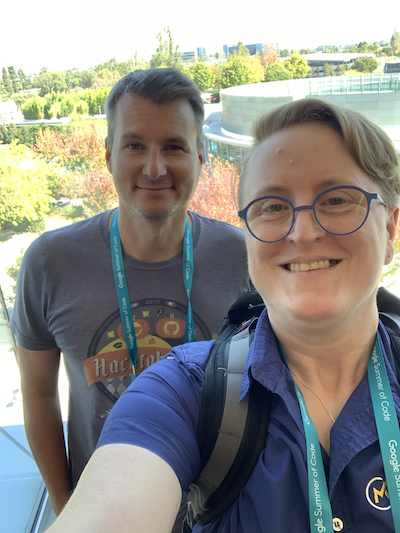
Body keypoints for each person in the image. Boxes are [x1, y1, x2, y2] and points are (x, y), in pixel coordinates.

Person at [45, 97, 400, 533]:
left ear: (389, 230)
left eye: (338, 199)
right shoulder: (182, 391)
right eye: (272, 206)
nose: (303, 231)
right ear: (248, 241)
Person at [10, 68, 252, 519]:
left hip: (221, 512)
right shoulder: (49, 263)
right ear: (108, 154)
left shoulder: (243, 257)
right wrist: (68, 507)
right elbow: (39, 393)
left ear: (202, 154)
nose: (154, 168)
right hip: (105, 514)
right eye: (135, 145)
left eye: (174, 146)